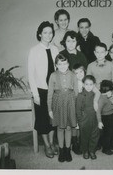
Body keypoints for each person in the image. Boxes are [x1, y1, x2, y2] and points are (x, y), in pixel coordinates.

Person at [27, 21, 59, 159]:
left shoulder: (55, 49)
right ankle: (46, 145)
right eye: (45, 32)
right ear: (40, 34)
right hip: (41, 90)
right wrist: (35, 94)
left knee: (53, 119)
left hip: (54, 90)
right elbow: (31, 74)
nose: (48, 35)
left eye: (50, 32)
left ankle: (52, 142)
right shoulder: (34, 51)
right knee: (42, 119)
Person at [47, 54, 78, 162]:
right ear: (56, 65)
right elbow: (50, 93)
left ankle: (67, 150)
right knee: (60, 128)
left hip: (70, 103)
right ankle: (61, 150)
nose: (63, 66)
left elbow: (76, 92)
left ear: (68, 64)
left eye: (65, 63)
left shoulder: (73, 75)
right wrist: (49, 109)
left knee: (69, 127)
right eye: (60, 64)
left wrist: (75, 107)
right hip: (58, 103)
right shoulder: (53, 75)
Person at [76, 75, 100, 160]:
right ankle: (85, 151)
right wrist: (80, 121)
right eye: (86, 84)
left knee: (94, 136)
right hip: (84, 120)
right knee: (84, 137)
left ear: (94, 85)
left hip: (94, 119)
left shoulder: (95, 94)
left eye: (91, 84)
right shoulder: (80, 95)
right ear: (83, 84)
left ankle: (92, 151)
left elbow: (98, 108)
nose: (89, 86)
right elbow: (78, 109)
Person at [96, 80, 113, 155]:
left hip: (112, 115)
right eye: (106, 92)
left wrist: (110, 97)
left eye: (110, 91)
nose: (108, 93)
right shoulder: (101, 98)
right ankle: (105, 148)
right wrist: (99, 121)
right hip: (105, 117)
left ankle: (112, 144)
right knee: (107, 134)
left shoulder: (111, 95)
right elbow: (98, 111)